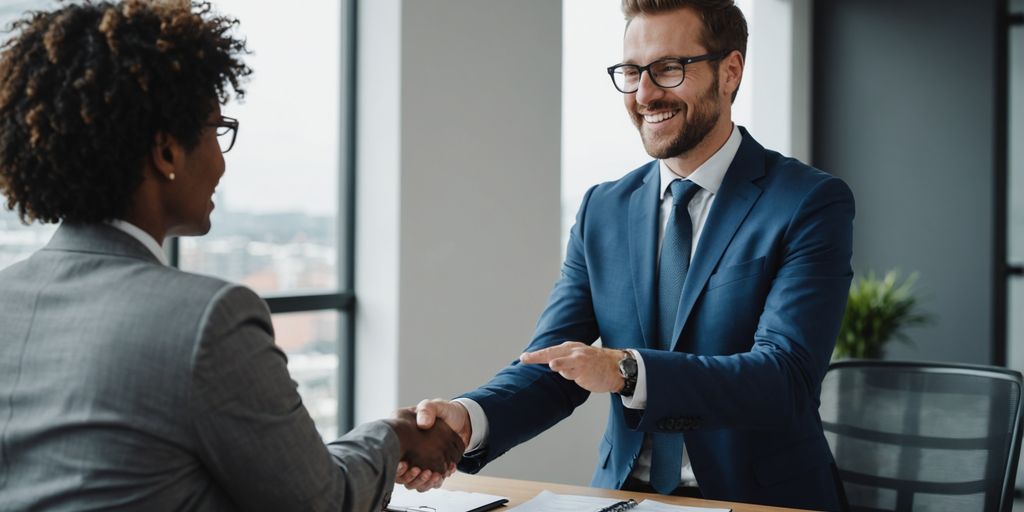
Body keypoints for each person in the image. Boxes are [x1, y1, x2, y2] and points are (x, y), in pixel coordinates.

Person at [0, 2, 461, 511]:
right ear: (167, 152)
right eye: (217, 131)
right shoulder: (206, 318)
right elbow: (320, 502)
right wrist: (393, 434)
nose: (221, 163)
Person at [408, 0, 854, 509]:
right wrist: (468, 419)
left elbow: (784, 377)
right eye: (631, 72)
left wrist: (627, 370)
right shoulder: (603, 208)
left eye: (668, 68)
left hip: (757, 499)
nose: (644, 94)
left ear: (730, 72)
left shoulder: (807, 201)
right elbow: (555, 364)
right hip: (621, 495)